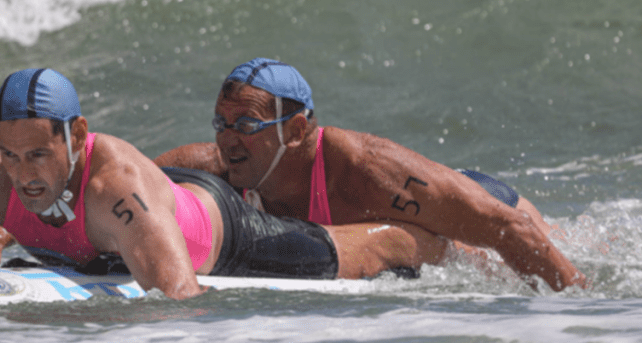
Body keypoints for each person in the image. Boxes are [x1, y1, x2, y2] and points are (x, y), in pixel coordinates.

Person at [0, 68, 446, 299]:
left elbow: (180, 304)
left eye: (39, 156)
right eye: (10, 157)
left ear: (77, 135)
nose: (24, 174)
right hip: (110, 238)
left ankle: (426, 241)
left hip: (217, 234)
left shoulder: (117, 195)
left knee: (359, 252)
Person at [152, 57, 587, 292]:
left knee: (501, 261)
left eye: (246, 126)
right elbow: (127, 182)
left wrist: (581, 317)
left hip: (483, 207)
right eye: (220, 124)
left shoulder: (365, 170)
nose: (228, 140)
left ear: (296, 131)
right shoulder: (214, 167)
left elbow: (508, 227)